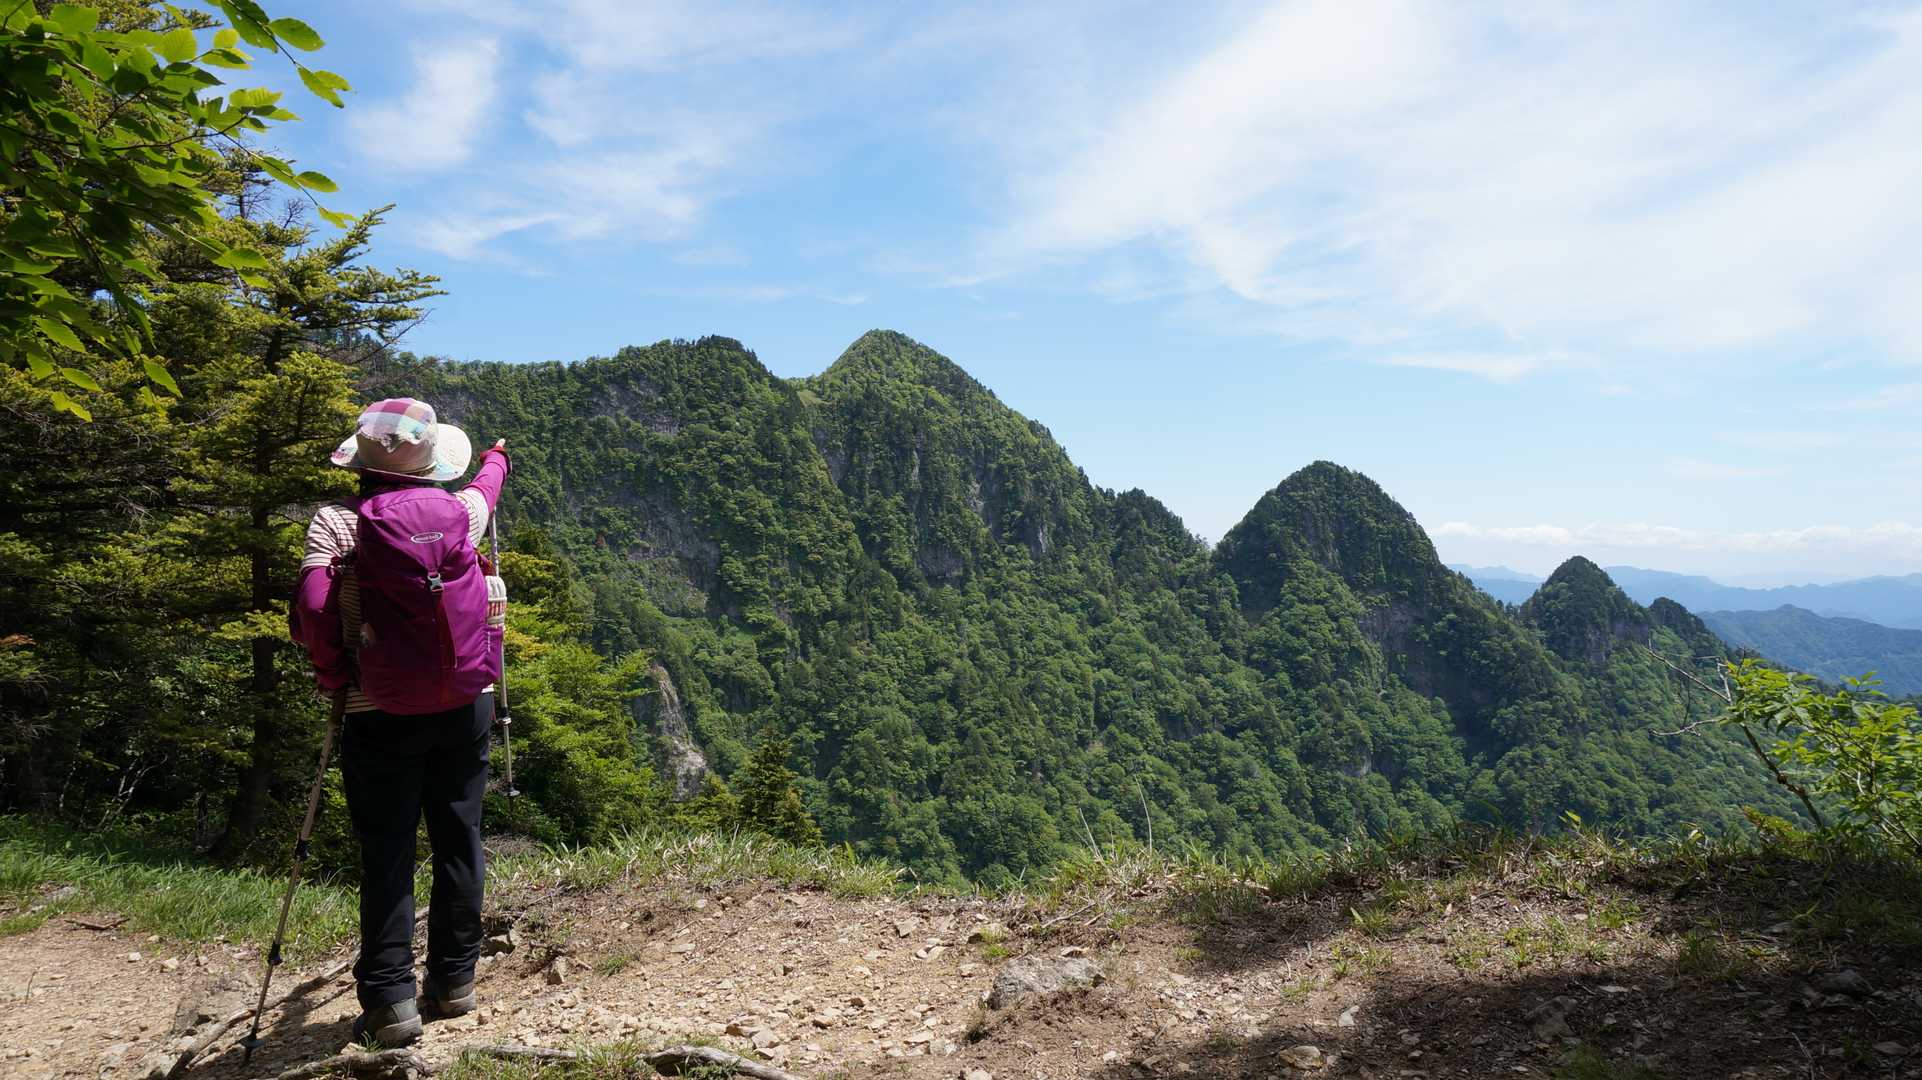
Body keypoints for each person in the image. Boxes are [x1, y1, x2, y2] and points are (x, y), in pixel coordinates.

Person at [290, 398, 511, 1047]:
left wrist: (335, 675)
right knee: (459, 837)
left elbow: (313, 612)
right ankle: (454, 982)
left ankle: (391, 1003)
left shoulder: (337, 523)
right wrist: (496, 457)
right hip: (466, 699)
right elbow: (486, 489)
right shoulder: (462, 513)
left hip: (379, 706)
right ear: (431, 462)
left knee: (388, 850)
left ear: (361, 461)